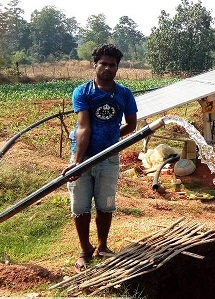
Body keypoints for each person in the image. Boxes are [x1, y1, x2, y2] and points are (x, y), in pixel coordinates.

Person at [62, 44, 138, 273]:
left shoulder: (124, 94)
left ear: (117, 68)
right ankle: (85, 249)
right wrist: (77, 161)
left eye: (112, 65)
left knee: (105, 205)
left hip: (109, 159)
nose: (107, 68)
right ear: (94, 65)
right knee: (81, 206)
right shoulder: (83, 92)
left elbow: (132, 125)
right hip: (82, 157)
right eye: (103, 63)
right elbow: (83, 128)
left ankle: (103, 246)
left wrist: (113, 139)